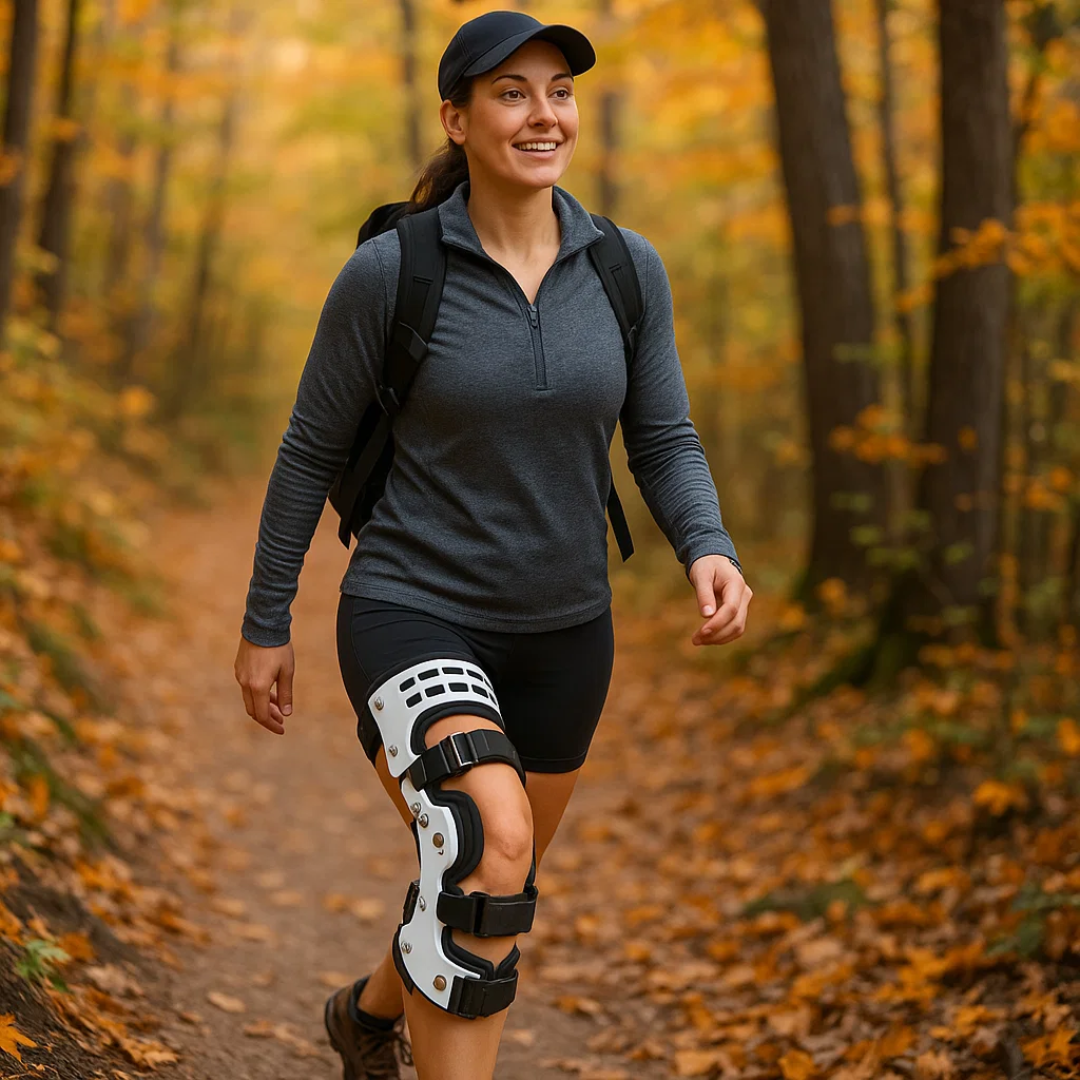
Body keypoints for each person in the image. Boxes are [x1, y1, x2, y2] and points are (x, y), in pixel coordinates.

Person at [233, 9, 751, 1079]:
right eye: (512, 93)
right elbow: (308, 448)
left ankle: (365, 1017)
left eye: (559, 91)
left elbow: (662, 436)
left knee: (485, 885)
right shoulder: (393, 272)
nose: (543, 114)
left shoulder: (626, 269)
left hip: (566, 630)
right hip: (412, 604)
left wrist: (707, 544)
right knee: (488, 845)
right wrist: (264, 620)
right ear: (457, 120)